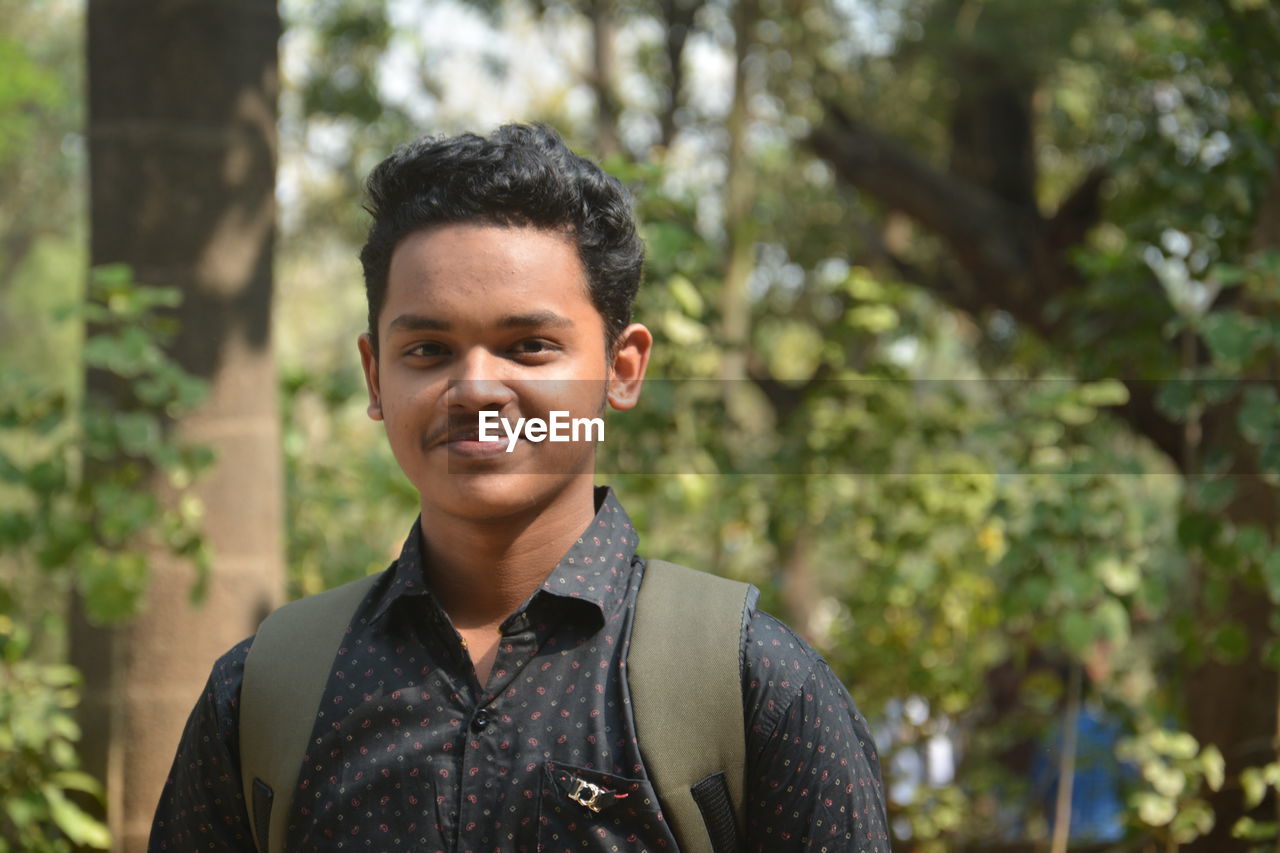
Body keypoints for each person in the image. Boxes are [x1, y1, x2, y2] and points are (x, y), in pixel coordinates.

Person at [149, 123, 891, 852]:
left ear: (622, 369)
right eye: (429, 349)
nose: (475, 388)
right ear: (376, 376)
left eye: (529, 347)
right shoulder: (268, 694)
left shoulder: (750, 684)